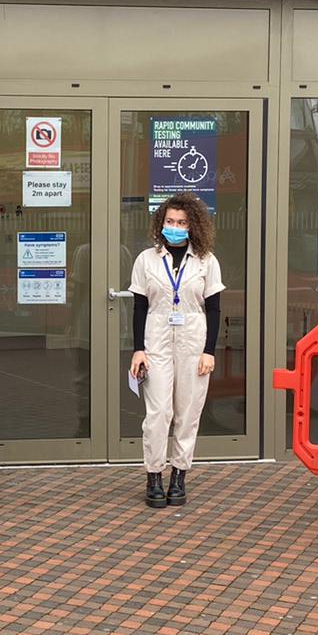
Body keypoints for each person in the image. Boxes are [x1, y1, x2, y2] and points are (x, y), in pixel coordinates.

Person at [128, 192, 224, 509]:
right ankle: (154, 475)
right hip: (155, 340)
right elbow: (139, 307)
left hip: (194, 342)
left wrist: (209, 351)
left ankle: (179, 475)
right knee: (157, 413)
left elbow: (213, 309)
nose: (175, 227)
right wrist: (138, 349)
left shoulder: (207, 261)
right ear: (161, 222)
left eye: (181, 222)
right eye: (170, 221)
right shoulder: (146, 260)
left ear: (192, 226)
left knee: (188, 413)